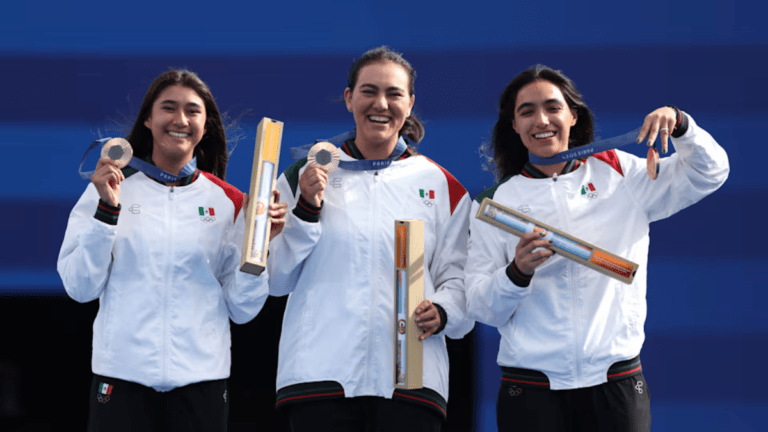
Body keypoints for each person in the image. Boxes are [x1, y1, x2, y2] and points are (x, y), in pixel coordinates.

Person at [465, 65, 729, 431]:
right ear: (514, 125)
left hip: (616, 382)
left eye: (552, 107)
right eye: (527, 111)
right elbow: (480, 305)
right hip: (530, 389)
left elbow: (709, 173)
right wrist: (516, 273)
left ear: (573, 115)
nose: (541, 120)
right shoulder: (496, 203)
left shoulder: (620, 172)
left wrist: (682, 125)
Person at [57, 69, 287, 432]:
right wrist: (107, 212)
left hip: (201, 383)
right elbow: (80, 288)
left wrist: (259, 248)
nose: (180, 120)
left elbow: (242, 310)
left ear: (205, 125)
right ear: (148, 119)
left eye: (193, 111)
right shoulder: (109, 189)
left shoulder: (229, 202)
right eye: (169, 108)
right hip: (121, 378)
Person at [266, 46, 474, 431]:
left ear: (410, 103)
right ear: (349, 98)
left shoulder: (443, 186)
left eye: (394, 93)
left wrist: (444, 310)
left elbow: (462, 279)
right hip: (320, 376)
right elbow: (275, 280)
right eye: (368, 91)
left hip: (412, 381)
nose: (381, 103)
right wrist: (307, 210)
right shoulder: (304, 174)